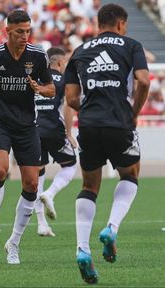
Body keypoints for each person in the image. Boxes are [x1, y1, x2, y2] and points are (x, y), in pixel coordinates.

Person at [64, 3, 150, 284]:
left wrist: (90, 110)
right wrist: (133, 113)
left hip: (88, 124)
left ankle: (82, 249)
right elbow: (144, 81)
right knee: (130, 174)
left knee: (89, 186)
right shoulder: (131, 44)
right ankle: (111, 228)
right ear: (122, 24)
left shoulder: (80, 51)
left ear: (99, 23)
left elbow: (71, 99)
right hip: (119, 121)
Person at [0, 9, 55, 264]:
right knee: (1, 170)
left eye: (28, 31)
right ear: (8, 31)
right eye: (20, 31)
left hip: (28, 126)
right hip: (0, 123)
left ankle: (14, 243)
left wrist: (39, 88)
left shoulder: (38, 56)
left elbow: (51, 89)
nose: (25, 36)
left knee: (31, 184)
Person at [34, 47, 77, 237]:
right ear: (59, 63)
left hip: (32, 132)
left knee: (37, 177)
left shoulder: (34, 79)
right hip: (54, 130)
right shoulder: (63, 79)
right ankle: (51, 193)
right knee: (70, 165)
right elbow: (68, 106)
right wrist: (69, 133)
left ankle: (41, 224)